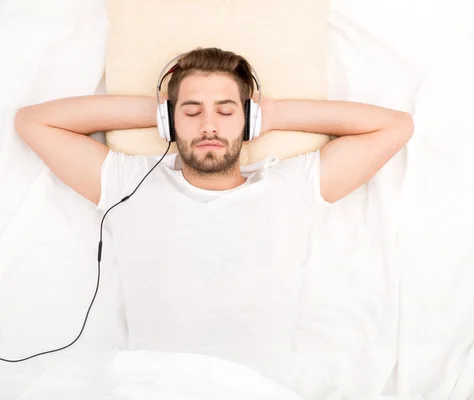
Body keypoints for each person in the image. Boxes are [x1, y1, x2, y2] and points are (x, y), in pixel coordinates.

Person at [13, 47, 413, 381]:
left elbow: (394, 127)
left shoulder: (293, 186)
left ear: (247, 119)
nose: (208, 126)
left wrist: (272, 114)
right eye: (191, 113)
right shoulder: (128, 184)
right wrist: (156, 111)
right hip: (152, 385)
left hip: (255, 387)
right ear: (169, 121)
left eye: (225, 111)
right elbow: (33, 122)